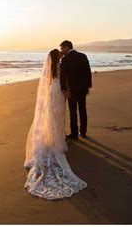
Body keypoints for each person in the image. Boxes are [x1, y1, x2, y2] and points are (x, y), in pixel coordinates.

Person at [24, 49, 87, 200]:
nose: (61, 53)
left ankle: (52, 138)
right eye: (59, 52)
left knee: (52, 116)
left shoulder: (53, 67)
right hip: (59, 91)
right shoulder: (61, 64)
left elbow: (49, 82)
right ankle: (56, 140)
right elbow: (65, 78)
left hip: (53, 90)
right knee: (58, 116)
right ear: (56, 56)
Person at [59, 40, 92, 139]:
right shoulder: (83, 56)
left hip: (71, 90)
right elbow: (88, 72)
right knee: (83, 109)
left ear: (66, 47)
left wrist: (64, 90)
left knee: (73, 111)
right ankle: (83, 132)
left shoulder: (65, 59)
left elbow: (62, 76)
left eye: (62, 48)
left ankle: (74, 134)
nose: (62, 50)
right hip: (82, 88)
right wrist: (88, 86)